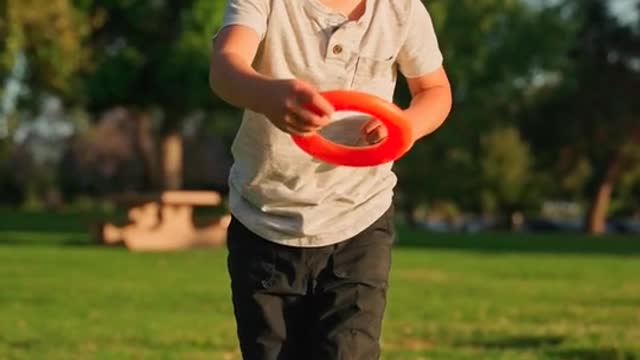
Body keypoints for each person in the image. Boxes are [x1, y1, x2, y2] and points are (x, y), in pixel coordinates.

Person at [209, 0, 452, 358]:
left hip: (358, 220)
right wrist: (268, 95)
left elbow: (435, 91)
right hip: (265, 221)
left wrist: (406, 125)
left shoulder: (402, 10)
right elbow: (225, 68)